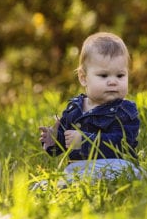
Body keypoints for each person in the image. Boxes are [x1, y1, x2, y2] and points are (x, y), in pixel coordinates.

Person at [38, 32, 141, 182]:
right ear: (83, 78)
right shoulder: (74, 109)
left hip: (114, 165)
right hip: (79, 168)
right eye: (104, 76)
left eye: (120, 76)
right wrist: (53, 140)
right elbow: (65, 144)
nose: (113, 82)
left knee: (128, 171)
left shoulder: (125, 110)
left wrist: (85, 141)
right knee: (55, 182)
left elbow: (122, 144)